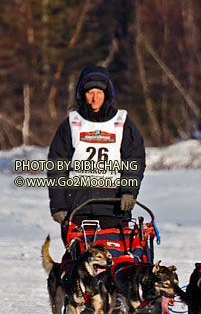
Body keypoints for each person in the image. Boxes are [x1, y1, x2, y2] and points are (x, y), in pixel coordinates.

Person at [47, 65, 146, 245]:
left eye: (99, 92)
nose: (94, 98)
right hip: (77, 208)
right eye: (90, 92)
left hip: (113, 207)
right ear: (82, 94)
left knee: (113, 262)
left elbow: (135, 160)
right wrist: (59, 206)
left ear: (107, 93)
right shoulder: (71, 123)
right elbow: (56, 166)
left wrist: (129, 192)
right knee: (79, 264)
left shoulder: (122, 122)